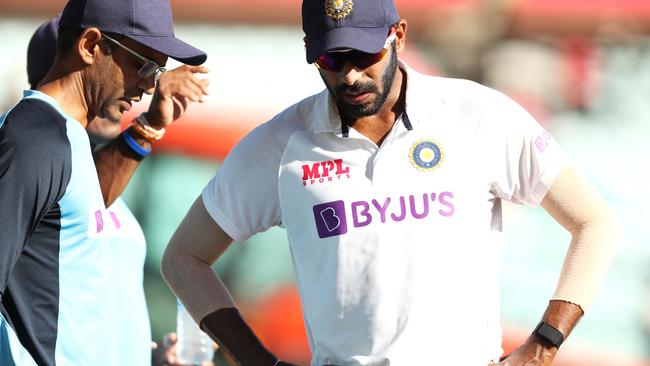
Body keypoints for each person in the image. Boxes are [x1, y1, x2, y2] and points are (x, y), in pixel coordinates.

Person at [161, 0, 621, 365]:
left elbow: (595, 223)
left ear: (397, 33)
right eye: (331, 59)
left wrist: (543, 345)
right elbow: (183, 258)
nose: (351, 75)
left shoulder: (474, 113)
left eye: (365, 53)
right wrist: (258, 361)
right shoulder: (280, 143)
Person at [0, 0, 209, 364]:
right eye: (143, 65)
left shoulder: (69, 138)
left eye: (157, 70)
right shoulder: (33, 137)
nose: (148, 85)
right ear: (90, 45)